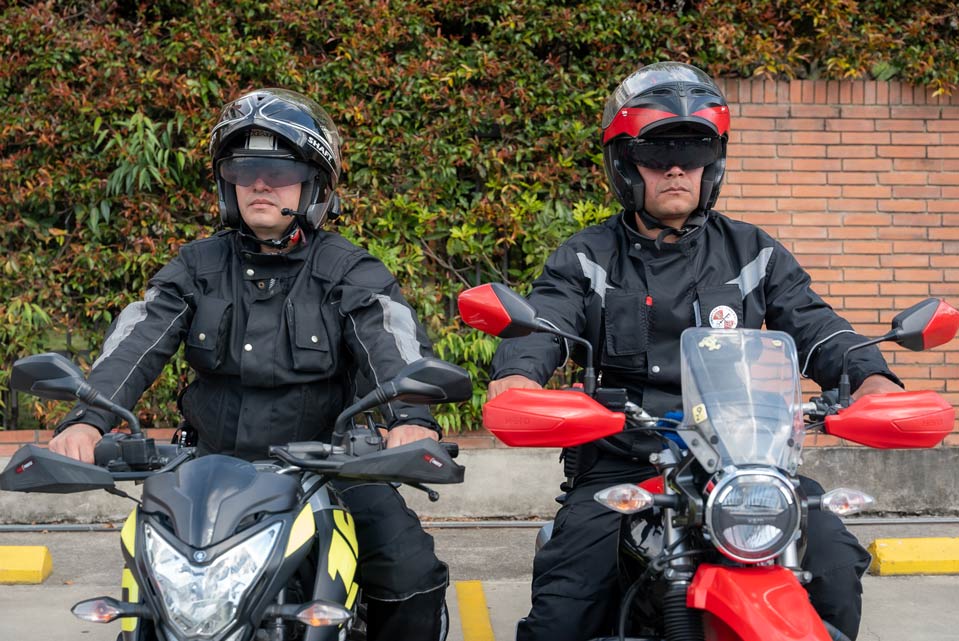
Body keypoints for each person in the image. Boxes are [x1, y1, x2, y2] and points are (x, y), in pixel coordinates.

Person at [488, 62, 903, 641]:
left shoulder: (753, 251)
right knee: (566, 605)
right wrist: (519, 377)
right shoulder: (587, 255)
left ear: (715, 164)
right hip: (627, 463)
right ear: (623, 163)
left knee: (833, 563)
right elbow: (546, 321)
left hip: (743, 467)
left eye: (693, 152)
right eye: (657, 154)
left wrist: (871, 379)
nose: (676, 168)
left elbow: (815, 324)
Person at [49, 88, 451, 640]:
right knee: (148, 591)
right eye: (243, 169)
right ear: (227, 183)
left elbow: (392, 342)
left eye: (278, 170)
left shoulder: (350, 270)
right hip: (207, 473)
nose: (259, 183)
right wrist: (87, 419)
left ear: (314, 184)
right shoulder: (195, 266)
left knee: (411, 570)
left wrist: (410, 418)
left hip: (327, 470)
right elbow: (137, 340)